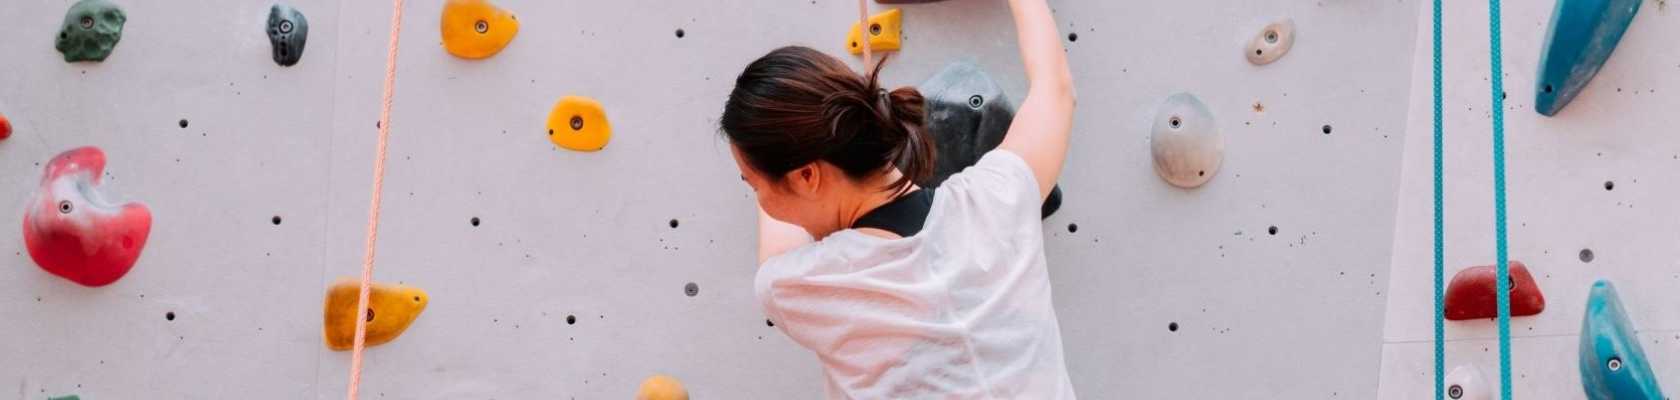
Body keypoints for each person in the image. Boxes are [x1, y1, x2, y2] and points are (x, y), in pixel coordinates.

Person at [717, 0, 1075, 397]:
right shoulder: (996, 202)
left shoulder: (801, 284)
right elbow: (1054, 92)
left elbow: (778, 249)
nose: (761, 201)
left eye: (753, 185)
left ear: (807, 176)